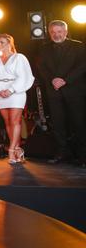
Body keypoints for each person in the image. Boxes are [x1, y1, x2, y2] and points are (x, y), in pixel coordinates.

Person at [37, 20, 86, 166]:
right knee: (58, 124)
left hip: (74, 90)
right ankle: (61, 153)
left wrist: (65, 80)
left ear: (65, 32)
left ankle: (83, 156)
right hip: (54, 91)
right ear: (49, 33)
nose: (56, 35)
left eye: (59, 32)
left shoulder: (78, 46)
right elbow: (41, 67)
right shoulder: (44, 48)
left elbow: (82, 66)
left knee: (79, 123)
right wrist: (52, 80)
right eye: (53, 32)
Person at [0, 34, 34, 164]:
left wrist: (11, 90)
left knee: (15, 121)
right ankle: (18, 150)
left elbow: (24, 76)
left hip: (16, 92)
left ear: (9, 43)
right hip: (1, 92)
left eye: (2, 42)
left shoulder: (19, 58)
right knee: (8, 122)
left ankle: (11, 150)